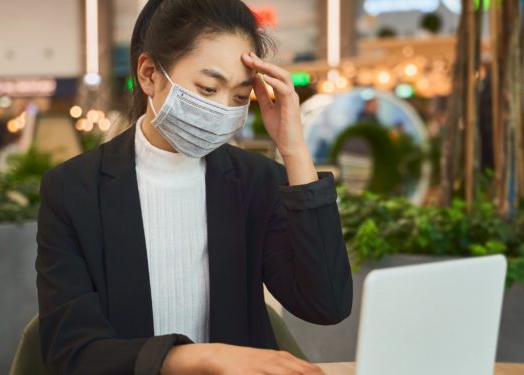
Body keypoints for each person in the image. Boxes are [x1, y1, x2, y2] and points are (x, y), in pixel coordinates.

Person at [35, 1, 353, 374]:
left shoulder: (254, 182)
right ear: (150, 74)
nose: (222, 110)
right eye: (207, 88)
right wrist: (200, 357)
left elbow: (327, 303)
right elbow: (70, 352)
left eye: (238, 97)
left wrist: (295, 151)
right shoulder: (75, 190)